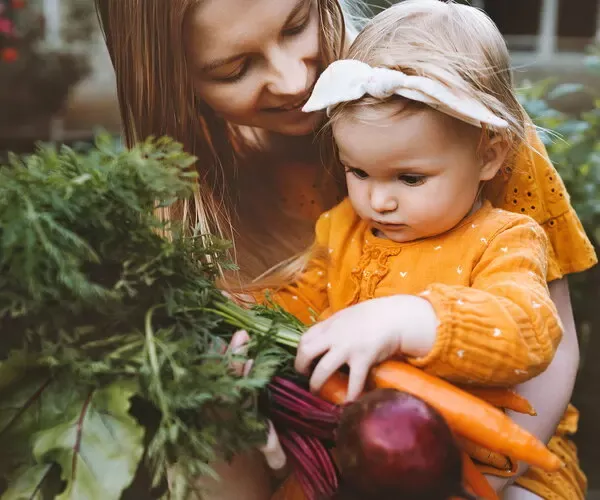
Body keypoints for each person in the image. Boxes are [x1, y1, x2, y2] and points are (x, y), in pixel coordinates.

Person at [95, 0, 596, 498]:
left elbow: (543, 335)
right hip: (350, 468)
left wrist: (480, 484)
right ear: (170, 76)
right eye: (234, 68)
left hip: (505, 460)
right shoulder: (326, 229)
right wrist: (243, 401)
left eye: (296, 25)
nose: (295, 81)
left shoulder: (453, 103)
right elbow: (295, 343)